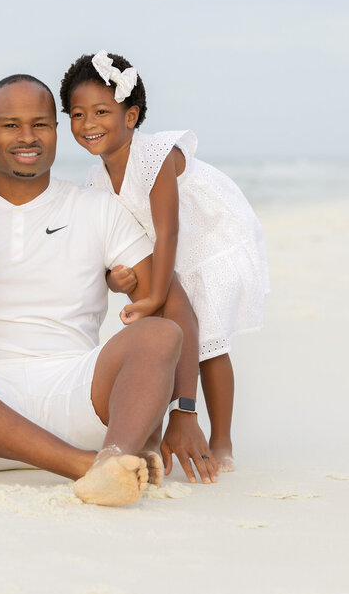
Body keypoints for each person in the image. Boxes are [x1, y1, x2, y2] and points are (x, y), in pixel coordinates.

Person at [0, 73, 218, 508]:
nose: (27, 136)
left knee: (159, 334)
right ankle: (92, 467)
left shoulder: (97, 208)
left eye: (40, 124)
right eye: (10, 125)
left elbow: (175, 306)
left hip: (79, 399)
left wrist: (186, 411)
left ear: (56, 131)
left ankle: (114, 455)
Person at [59, 52, 269, 472]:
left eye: (102, 111)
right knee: (168, 335)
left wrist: (155, 294)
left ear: (131, 115)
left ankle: (221, 441)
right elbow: (116, 244)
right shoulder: (97, 182)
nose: (88, 124)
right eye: (77, 114)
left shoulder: (155, 154)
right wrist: (117, 278)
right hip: (165, 252)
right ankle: (156, 429)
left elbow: (169, 227)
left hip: (208, 241)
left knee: (209, 342)